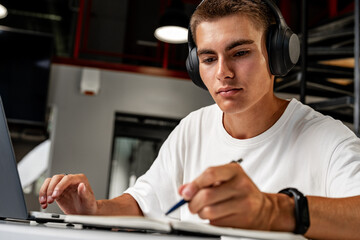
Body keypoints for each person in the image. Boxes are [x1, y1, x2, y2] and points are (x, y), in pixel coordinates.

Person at [39, 0, 360, 239]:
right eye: (209, 58)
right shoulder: (193, 128)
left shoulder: (328, 139)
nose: (223, 72)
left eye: (240, 53)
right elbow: (144, 200)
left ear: (278, 54)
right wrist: (95, 211)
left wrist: (273, 210)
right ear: (196, 66)